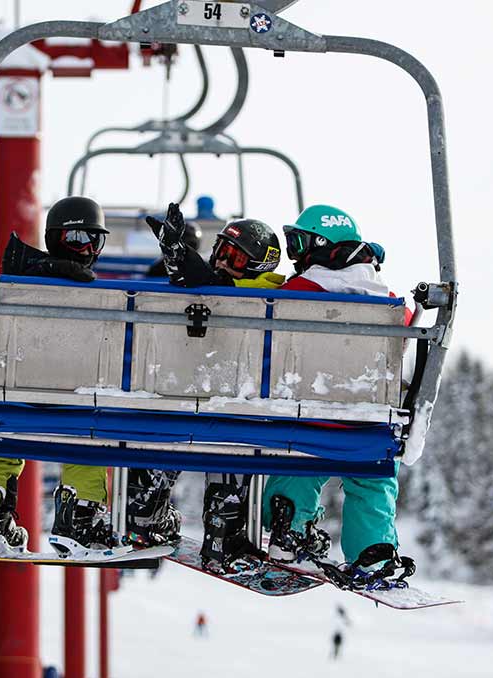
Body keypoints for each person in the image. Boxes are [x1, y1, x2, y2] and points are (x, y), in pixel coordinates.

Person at [125, 203, 285, 574]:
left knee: (165, 423)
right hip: (230, 409)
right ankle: (222, 530)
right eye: (221, 253)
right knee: (230, 439)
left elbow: (204, 281)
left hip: (195, 402)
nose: (224, 263)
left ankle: (146, 512)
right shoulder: (274, 297)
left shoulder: (246, 292)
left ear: (259, 268)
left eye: (236, 258)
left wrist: (177, 254)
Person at [263, 205, 414, 584]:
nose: (296, 255)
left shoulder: (299, 292)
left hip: (307, 419)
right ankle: (372, 552)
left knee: (298, 462)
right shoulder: (388, 300)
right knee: (371, 479)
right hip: (367, 423)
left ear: (317, 245)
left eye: (297, 244)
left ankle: (288, 528)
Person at [0, 196, 115, 557]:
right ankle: (80, 516)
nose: (85, 249)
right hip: (82, 406)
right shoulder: (98, 296)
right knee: (90, 442)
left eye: (92, 240)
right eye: (77, 238)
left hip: (15, 400)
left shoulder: (17, 284)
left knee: (1, 438)